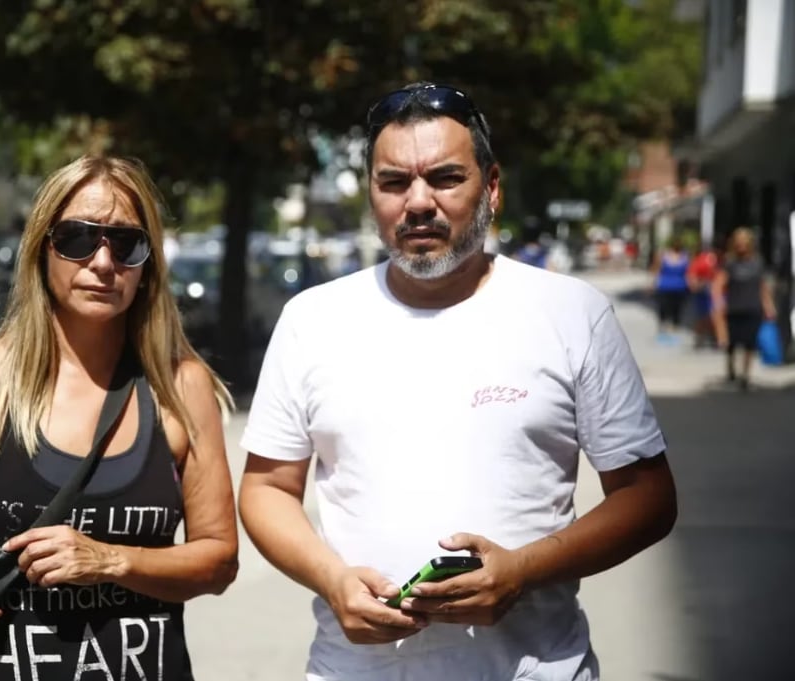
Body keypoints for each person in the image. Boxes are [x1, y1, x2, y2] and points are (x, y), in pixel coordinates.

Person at [238, 82, 677, 680]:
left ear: (490, 187)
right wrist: (331, 579)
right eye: (393, 182)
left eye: (444, 178)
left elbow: (648, 498)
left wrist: (522, 570)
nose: (418, 202)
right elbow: (266, 489)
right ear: (373, 195)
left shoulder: (571, 313)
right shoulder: (312, 320)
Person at [0, 155, 239, 680]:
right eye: (78, 238)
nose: (103, 262)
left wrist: (110, 560)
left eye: (126, 243)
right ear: (41, 249)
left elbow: (218, 560)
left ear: (148, 265)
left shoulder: (180, 387)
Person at [711, 226, 776, 390]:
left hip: (753, 307)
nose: (741, 246)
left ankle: (745, 375)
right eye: (738, 243)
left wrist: (769, 306)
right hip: (734, 307)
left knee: (749, 343)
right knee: (731, 343)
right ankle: (731, 369)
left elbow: (762, 287)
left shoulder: (758, 263)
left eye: (744, 243)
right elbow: (719, 283)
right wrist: (718, 302)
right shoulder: (730, 263)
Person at [648, 235, 690, 343]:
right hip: (665, 286)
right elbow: (656, 270)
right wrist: (652, 283)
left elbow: (688, 272)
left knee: (677, 309)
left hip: (680, 287)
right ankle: (663, 328)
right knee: (663, 307)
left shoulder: (685, 256)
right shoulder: (664, 256)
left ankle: (675, 330)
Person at [686, 239, 722, 348]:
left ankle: (716, 338)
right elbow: (692, 276)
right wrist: (696, 285)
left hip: (715, 292)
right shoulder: (700, 260)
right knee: (704, 317)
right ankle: (701, 338)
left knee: (715, 316)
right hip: (703, 292)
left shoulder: (718, 260)